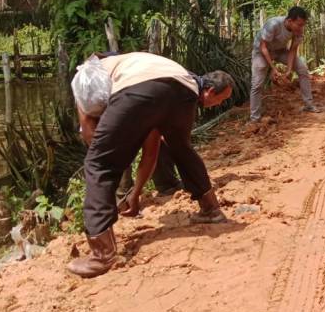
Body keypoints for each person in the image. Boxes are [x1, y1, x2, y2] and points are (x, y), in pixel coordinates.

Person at [68, 52, 235, 278]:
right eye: (220, 99)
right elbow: (151, 148)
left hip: (145, 89)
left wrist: (93, 137)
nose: (218, 104)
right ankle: (211, 209)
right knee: (182, 149)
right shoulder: (99, 71)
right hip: (181, 90)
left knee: (99, 164)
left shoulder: (106, 71)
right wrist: (135, 193)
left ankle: (102, 254)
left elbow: (145, 148)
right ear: (211, 91)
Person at [249, 6, 320, 122]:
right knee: (257, 84)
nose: (301, 28)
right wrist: (273, 68)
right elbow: (263, 47)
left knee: (302, 68)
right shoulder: (273, 24)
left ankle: (308, 105)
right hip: (261, 52)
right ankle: (254, 118)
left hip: (280, 50)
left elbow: (292, 50)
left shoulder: (298, 31)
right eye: (299, 24)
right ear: (290, 21)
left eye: (303, 25)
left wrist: (289, 69)